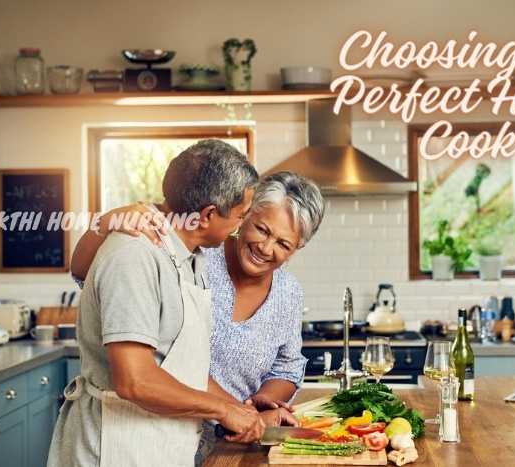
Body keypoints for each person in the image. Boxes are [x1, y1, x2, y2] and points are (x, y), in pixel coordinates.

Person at [70, 170, 326, 465]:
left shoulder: (288, 292)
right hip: (157, 431)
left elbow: (287, 366)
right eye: (262, 229)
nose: (266, 249)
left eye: (284, 244)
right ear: (244, 215)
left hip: (237, 438)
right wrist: (107, 221)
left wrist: (254, 408)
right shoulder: (196, 253)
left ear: (297, 249)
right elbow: (87, 273)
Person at [47, 139, 271, 467]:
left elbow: (181, 369)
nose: (240, 226)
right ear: (208, 215)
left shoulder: (191, 257)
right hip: (114, 449)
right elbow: (135, 379)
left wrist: (248, 414)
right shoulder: (135, 254)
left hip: (159, 444)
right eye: (239, 216)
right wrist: (224, 411)